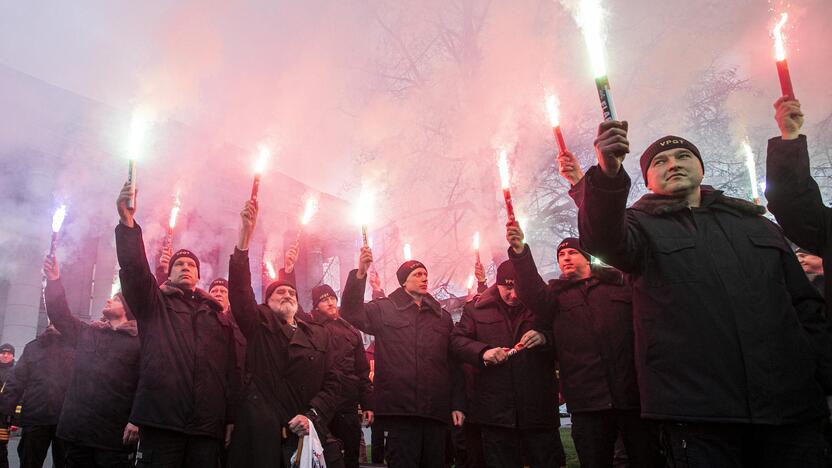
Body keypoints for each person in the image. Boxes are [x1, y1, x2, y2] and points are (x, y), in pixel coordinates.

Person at [569, 119, 832, 466]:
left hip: (790, 410)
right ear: (647, 180)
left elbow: (805, 306)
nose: (673, 164)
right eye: (659, 162)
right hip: (698, 417)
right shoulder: (639, 228)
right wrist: (607, 172)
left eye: (682, 156)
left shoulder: (757, 224)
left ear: (701, 167)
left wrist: (820, 374)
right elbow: (602, 237)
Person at [506, 234, 662, 468]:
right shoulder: (555, 298)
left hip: (632, 398)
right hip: (587, 403)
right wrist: (520, 253)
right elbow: (530, 290)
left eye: (572, 252)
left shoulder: (619, 285)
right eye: (561, 255)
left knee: (647, 459)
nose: (565, 258)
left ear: (588, 258)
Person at [114, 181, 239, 468]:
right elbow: (134, 272)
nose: (185, 268)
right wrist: (128, 224)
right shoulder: (155, 304)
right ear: (169, 275)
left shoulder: (216, 316)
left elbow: (229, 371)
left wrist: (230, 417)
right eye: (179, 265)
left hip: (206, 428)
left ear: (198, 275)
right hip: (161, 422)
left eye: (191, 265)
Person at [226, 199, 348, 468]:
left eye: (291, 292)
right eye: (278, 292)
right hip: (263, 435)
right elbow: (240, 292)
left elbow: (333, 382)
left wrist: (312, 415)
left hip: (304, 431)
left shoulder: (318, 336)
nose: (287, 294)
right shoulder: (259, 325)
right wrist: (244, 238)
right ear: (267, 303)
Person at [339, 245, 465, 468]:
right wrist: (360, 273)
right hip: (399, 412)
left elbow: (452, 363)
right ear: (404, 281)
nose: (424, 278)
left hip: (435, 413)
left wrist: (457, 403)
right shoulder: (383, 309)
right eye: (417, 274)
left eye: (426, 274)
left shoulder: (441, 317)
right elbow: (350, 312)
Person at [450, 260, 564, 468]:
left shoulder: (541, 306)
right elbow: (457, 342)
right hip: (496, 414)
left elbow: (567, 338)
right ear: (497, 284)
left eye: (518, 288)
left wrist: (545, 338)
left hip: (538, 410)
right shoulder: (475, 309)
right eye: (507, 288)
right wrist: (483, 352)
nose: (513, 295)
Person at [42, 255, 140, 467]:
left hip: (114, 437)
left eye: (115, 299)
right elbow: (60, 315)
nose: (108, 300)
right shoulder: (88, 333)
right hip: (78, 432)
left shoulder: (138, 343)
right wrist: (54, 280)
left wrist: (137, 420)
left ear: (127, 309)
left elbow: (145, 386)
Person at [308, 284, 374, 468]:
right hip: (320, 405)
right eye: (323, 300)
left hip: (347, 403)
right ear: (316, 305)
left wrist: (368, 403)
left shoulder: (351, 331)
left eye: (332, 298)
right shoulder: (310, 328)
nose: (329, 303)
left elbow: (362, 370)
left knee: (351, 455)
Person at [0, 325, 74, 468]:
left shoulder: (75, 346)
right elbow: (16, 382)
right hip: (36, 417)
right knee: (30, 462)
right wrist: (5, 415)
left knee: (66, 463)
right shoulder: (32, 348)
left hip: (66, 420)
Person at [0, 343, 14, 468]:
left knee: (1, 450)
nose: (5, 355)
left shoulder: (16, 372)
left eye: (9, 353)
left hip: (3, 418)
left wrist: (14, 420)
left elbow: (20, 397)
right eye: (3, 353)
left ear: (13, 356)